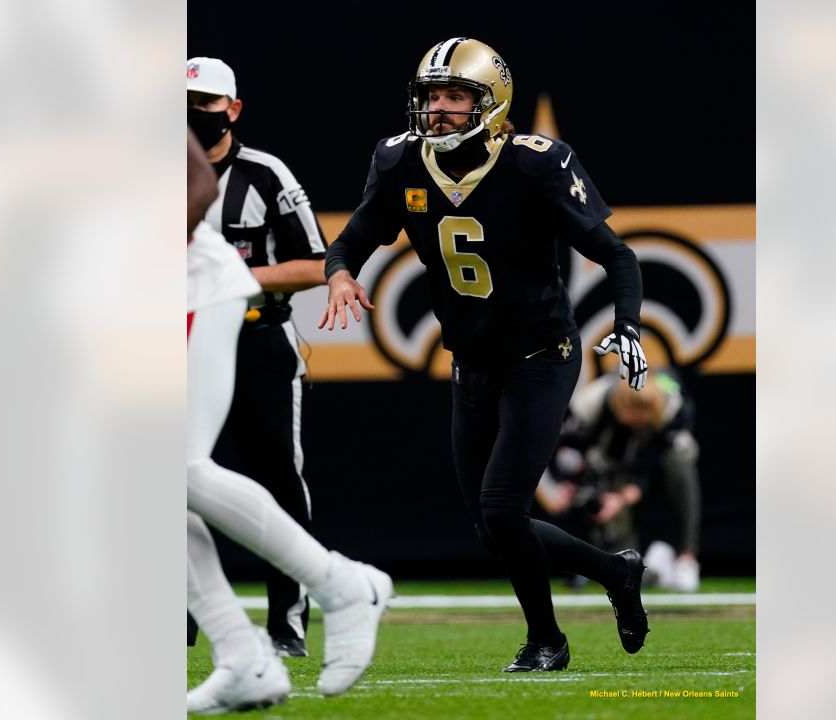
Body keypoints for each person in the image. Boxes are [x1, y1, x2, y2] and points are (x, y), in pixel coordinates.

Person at [319, 38, 650, 672]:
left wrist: (628, 324)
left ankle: (546, 640)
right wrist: (339, 275)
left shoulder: (535, 164)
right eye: (430, 97)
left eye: (455, 97)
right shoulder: (399, 163)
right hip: (471, 362)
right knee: (491, 530)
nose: (438, 110)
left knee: (504, 509)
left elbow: (619, 255)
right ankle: (615, 570)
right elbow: (351, 243)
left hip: (541, 355)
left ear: (491, 104)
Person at [187, 130, 392, 713]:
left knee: (179, 467)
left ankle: (341, 587)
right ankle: (241, 654)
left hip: (192, 286)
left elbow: (196, 181)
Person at [187, 56, 329, 657]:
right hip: (176, 342)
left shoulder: (265, 174)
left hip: (256, 338)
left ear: (233, 109)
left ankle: (287, 617)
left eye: (206, 106)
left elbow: (319, 263)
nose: (194, 118)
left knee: (276, 477)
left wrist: (237, 279)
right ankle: (181, 612)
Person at [539, 369, 703, 592]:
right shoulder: (589, 404)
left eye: (642, 421)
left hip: (656, 464)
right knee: (624, 568)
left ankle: (686, 559)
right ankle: (648, 565)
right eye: (631, 421)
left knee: (680, 459)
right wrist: (561, 485)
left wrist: (623, 497)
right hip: (608, 463)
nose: (636, 425)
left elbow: (649, 463)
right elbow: (559, 447)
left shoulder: (675, 408)